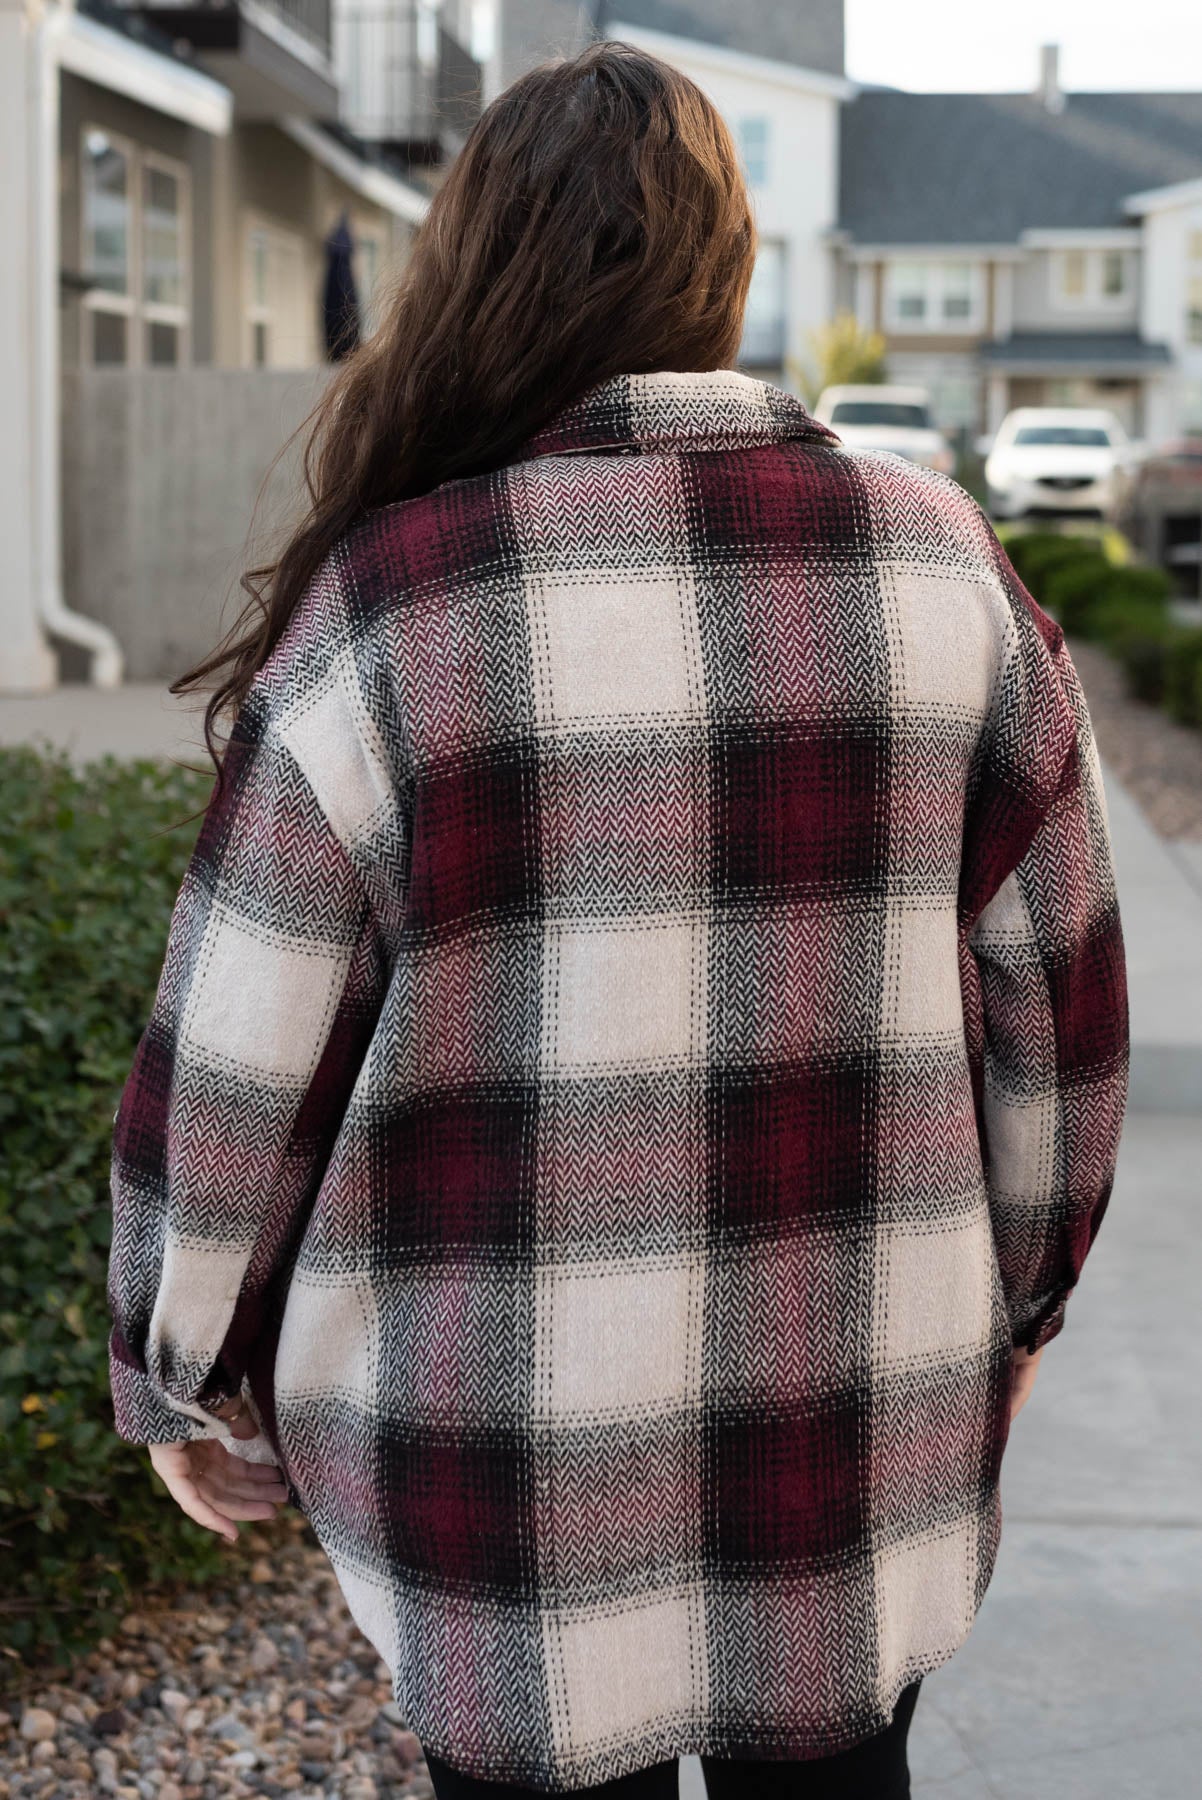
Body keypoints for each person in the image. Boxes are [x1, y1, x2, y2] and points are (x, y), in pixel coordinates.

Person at [106, 39, 1129, 1800]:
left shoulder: (390, 613)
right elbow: (1062, 1012)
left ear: (476, 270)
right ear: (723, 272)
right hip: (848, 1424)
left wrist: (179, 1368)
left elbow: (237, 1054)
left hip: (501, 1475)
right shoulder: (941, 570)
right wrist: (1018, 1305)